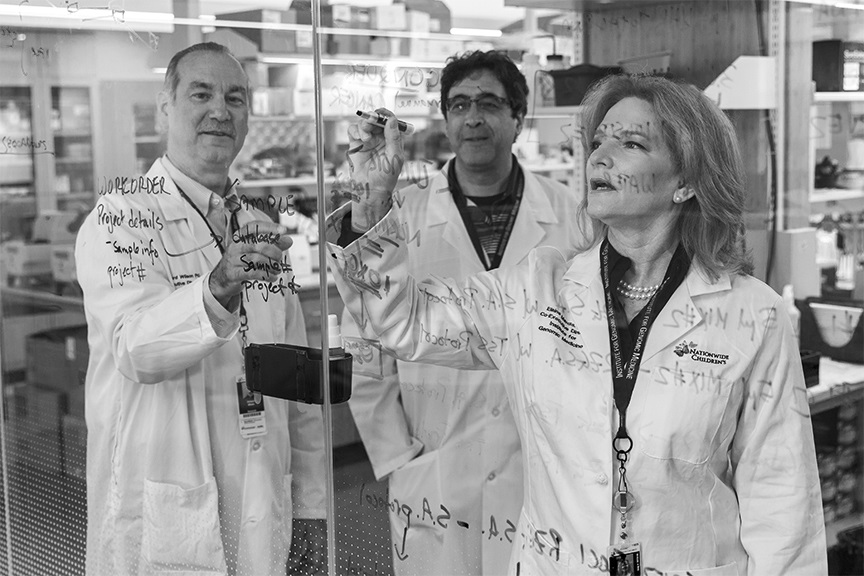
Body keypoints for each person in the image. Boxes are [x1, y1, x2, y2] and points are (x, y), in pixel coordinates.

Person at [325, 73, 827, 575]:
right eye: (599, 141)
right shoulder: (537, 288)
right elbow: (404, 322)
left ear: (686, 182)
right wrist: (370, 205)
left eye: (631, 143)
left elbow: (782, 502)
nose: (599, 158)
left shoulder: (753, 315)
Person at [76, 42, 326, 576]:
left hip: (261, 494)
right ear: (165, 108)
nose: (220, 111)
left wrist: (311, 505)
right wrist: (218, 287)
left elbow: (298, 377)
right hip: (166, 501)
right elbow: (133, 349)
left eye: (235, 98)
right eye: (201, 94)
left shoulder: (258, 228)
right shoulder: (119, 219)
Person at [339, 50, 583, 576]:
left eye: (490, 103)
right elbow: (363, 340)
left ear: (518, 118)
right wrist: (398, 454)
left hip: (541, 468)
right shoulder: (401, 216)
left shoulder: (571, 217)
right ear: (446, 119)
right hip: (435, 466)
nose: (473, 117)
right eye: (459, 104)